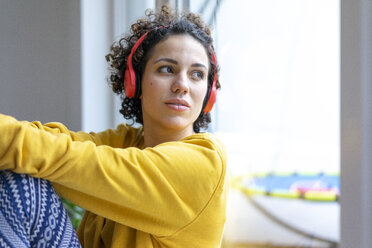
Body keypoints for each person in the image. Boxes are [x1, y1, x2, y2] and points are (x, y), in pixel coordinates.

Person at [0, 5, 226, 248]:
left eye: (197, 74)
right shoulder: (128, 142)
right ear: (134, 82)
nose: (182, 85)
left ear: (208, 93)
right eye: (167, 69)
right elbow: (41, 140)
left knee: (18, 179)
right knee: (16, 167)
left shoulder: (204, 163)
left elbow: (55, 155)